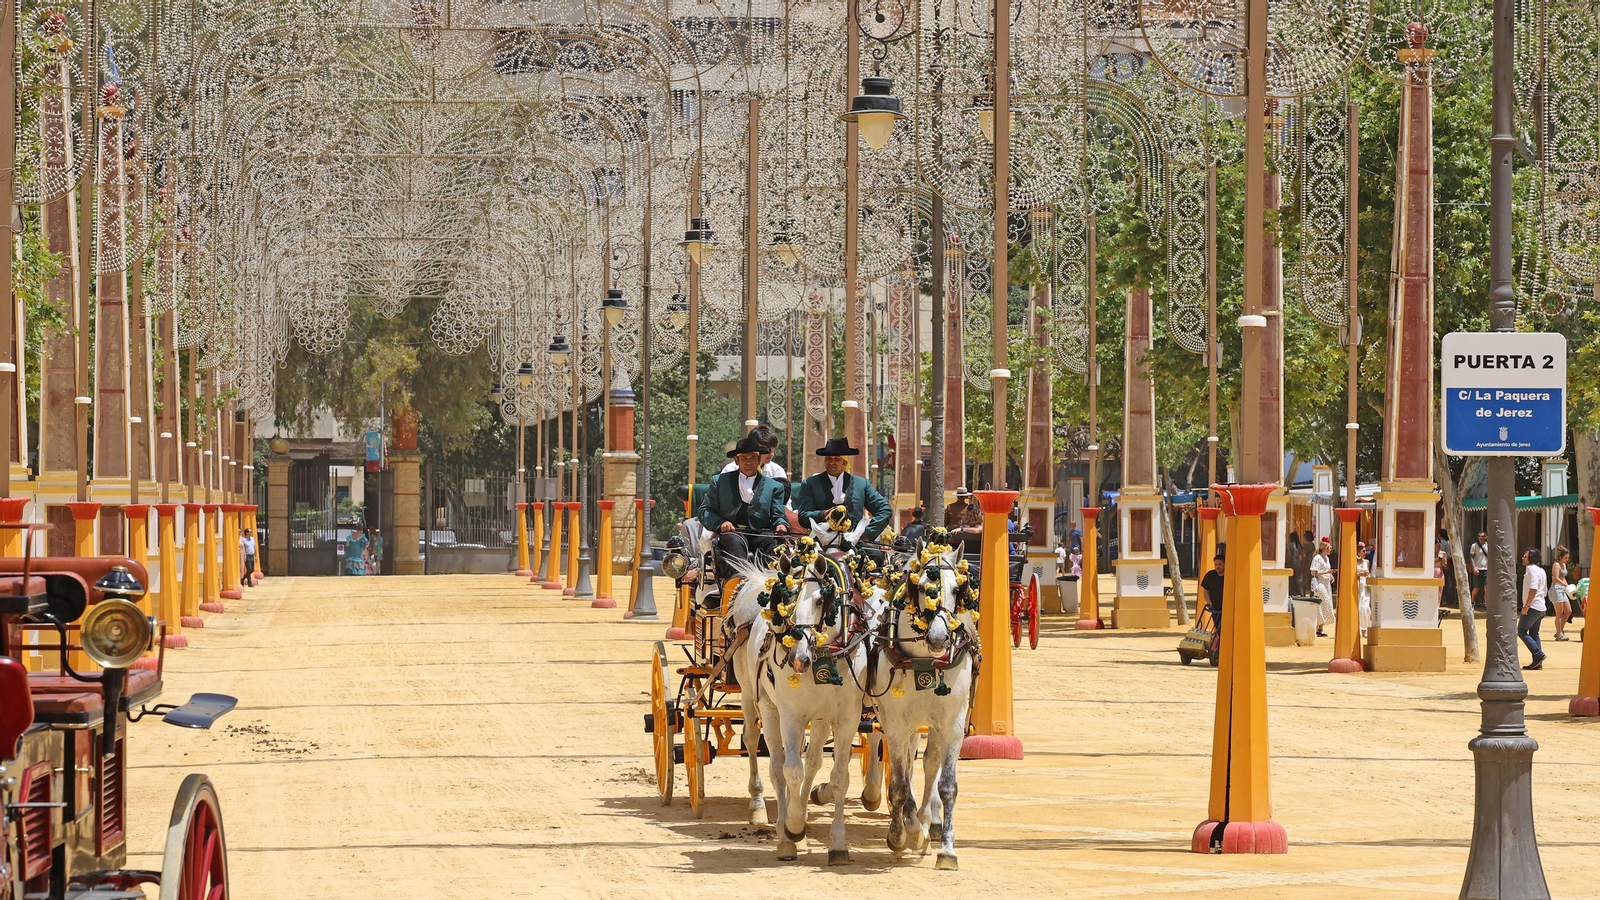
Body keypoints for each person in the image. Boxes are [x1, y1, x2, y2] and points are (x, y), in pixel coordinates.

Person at [699, 434, 789, 576]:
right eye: (744, 458)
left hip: (760, 533)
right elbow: (705, 511)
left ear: (759, 460)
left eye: (753, 458)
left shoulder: (774, 487)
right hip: (733, 533)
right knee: (735, 544)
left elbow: (778, 515)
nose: (748, 462)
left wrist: (781, 525)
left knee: (775, 545)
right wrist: (721, 523)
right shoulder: (720, 481)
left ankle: (771, 585)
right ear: (736, 460)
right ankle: (738, 585)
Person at [793, 437, 892, 542]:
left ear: (845, 462)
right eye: (828, 458)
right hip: (821, 542)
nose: (831, 462)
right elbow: (803, 516)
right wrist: (823, 514)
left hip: (854, 541)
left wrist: (867, 534)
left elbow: (885, 509)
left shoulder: (861, 484)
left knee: (875, 556)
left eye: (837, 459)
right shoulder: (810, 483)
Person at [720, 424, 787, 480]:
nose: (772, 454)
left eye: (773, 448)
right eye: (767, 449)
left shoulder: (777, 471)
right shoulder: (730, 470)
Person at [1519, 548, 1549, 670]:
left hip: (1533, 606)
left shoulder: (1531, 569)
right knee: (1534, 633)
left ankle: (1538, 654)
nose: (1522, 558)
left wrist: (1526, 606)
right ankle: (1537, 662)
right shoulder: (1541, 570)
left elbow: (1533, 589)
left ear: (1531, 558)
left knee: (1521, 630)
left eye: (1525, 556)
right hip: (1541, 605)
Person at [943, 487, 984, 552]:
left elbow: (945, 523)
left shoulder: (950, 507)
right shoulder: (973, 508)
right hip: (967, 540)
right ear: (966, 496)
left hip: (959, 539)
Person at [1310, 538, 1334, 636]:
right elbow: (1313, 572)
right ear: (1325, 548)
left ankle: (1320, 628)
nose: (1330, 550)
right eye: (1329, 548)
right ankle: (1317, 626)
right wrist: (1327, 572)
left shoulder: (1326, 559)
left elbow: (1327, 569)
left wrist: (1330, 575)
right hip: (1320, 584)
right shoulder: (1317, 558)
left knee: (1326, 604)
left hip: (1326, 583)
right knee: (1322, 603)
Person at [1552, 545, 1572, 641]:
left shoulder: (1563, 565)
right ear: (1560, 557)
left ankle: (1559, 631)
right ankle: (1559, 633)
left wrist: (1569, 587)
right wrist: (1565, 585)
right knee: (1559, 613)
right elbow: (1555, 578)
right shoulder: (1556, 565)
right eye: (1565, 558)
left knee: (1568, 611)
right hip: (1556, 588)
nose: (1567, 560)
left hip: (1563, 589)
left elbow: (1563, 577)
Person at [1356, 540, 1372, 636]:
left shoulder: (1367, 562)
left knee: (1366, 608)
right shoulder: (1354, 562)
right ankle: (1361, 629)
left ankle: (1365, 628)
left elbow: (1368, 573)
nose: (1365, 553)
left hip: (1365, 586)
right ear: (1358, 552)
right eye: (1363, 551)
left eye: (1365, 551)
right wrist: (1360, 574)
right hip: (1358, 585)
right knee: (1360, 608)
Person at [1469, 531, 1489, 608]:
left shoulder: (1488, 546)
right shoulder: (1474, 546)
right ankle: (1472, 602)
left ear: (1485, 537)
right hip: (1478, 569)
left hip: (1486, 569)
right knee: (1476, 588)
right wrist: (1474, 567)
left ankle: (1486, 605)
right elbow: (1471, 557)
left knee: (1486, 588)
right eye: (1480, 536)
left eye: (1482, 536)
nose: (1481, 538)